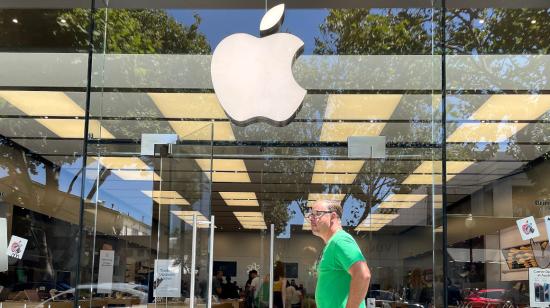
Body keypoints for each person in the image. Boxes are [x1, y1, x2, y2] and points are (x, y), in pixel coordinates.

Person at [309, 199, 371, 308]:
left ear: (333, 217)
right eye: (311, 215)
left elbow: (363, 275)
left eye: (317, 214)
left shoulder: (340, 240)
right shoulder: (332, 243)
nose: (312, 218)